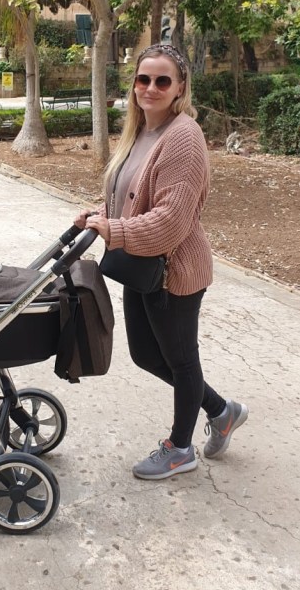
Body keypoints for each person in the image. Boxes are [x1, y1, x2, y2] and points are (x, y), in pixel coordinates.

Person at [75, 43, 248, 480]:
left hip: (174, 271)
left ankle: (180, 448)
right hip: (141, 264)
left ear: (180, 88)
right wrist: (100, 215)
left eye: (162, 80)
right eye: (143, 79)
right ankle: (221, 410)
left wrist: (113, 231)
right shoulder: (140, 131)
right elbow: (131, 196)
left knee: (181, 361)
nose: (150, 88)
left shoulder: (183, 137)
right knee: (146, 355)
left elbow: (170, 221)